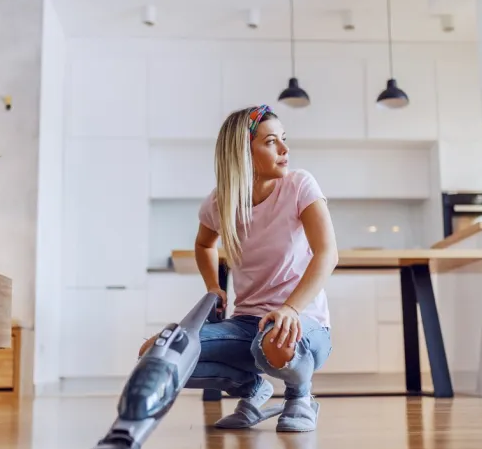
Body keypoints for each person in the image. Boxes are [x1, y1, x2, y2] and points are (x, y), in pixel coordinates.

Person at [139, 104, 338, 432]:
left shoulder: (300, 185)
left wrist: (290, 308)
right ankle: (252, 388)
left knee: (274, 341)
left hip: (304, 323)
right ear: (244, 152)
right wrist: (213, 286)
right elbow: (204, 245)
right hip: (246, 324)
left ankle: (300, 397)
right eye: (272, 141)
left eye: (283, 139)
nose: (285, 149)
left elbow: (327, 254)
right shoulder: (220, 202)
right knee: (159, 352)